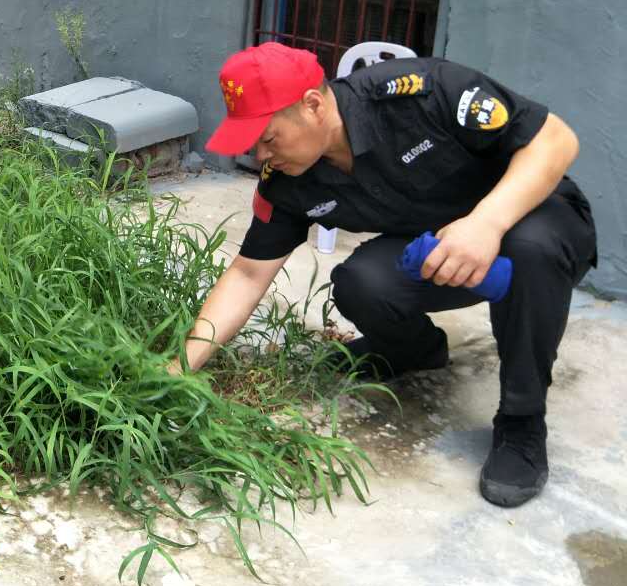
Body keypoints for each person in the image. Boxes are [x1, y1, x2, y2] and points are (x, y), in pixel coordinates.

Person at [172, 42, 597, 508]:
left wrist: (487, 224)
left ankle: (522, 423)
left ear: (312, 105)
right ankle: (415, 351)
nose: (260, 156)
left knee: (532, 250)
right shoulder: (289, 180)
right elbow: (249, 274)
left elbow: (556, 140)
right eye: (251, 144)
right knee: (362, 282)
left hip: (532, 220)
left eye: (269, 139)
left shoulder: (422, 93)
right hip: (437, 251)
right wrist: (179, 369)